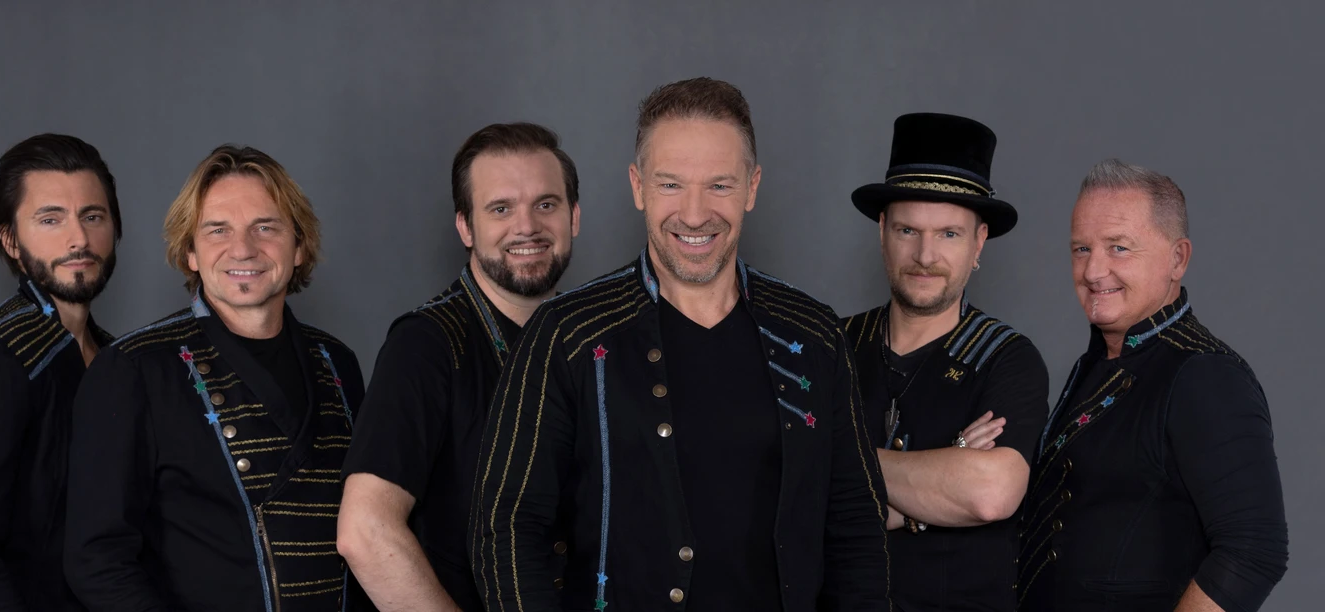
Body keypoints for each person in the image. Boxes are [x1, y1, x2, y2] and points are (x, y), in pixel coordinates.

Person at [469, 77, 890, 612]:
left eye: (720, 185)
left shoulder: (813, 334)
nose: (694, 214)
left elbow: (855, 523)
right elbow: (506, 529)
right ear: (637, 185)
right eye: (671, 185)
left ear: (752, 187)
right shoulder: (568, 335)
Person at [64, 145, 368, 611]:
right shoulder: (134, 369)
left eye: (265, 227)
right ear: (190, 251)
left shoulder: (337, 362)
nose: (243, 248)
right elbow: (98, 559)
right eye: (217, 230)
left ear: (300, 245)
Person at [1017, 159, 1289, 611]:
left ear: (1177, 258)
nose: (1092, 270)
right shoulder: (1101, 359)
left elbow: (1254, 550)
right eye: (1081, 249)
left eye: (1119, 248)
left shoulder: (1205, 374)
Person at [338, 122, 581, 611]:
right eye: (500, 208)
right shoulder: (425, 345)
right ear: (465, 226)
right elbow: (364, 530)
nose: (527, 226)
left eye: (546, 204)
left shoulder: (585, 339)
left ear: (574, 217)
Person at [840, 113, 1048, 611]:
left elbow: (989, 493)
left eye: (949, 234)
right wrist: (943, 468)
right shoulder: (833, 344)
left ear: (979, 243)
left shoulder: (1007, 358)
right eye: (908, 229)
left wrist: (840, 462)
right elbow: (786, 493)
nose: (925, 254)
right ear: (882, 232)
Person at [0, 133, 121, 612]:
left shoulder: (119, 359)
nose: (79, 238)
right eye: (50, 219)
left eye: (93, 216)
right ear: (10, 240)